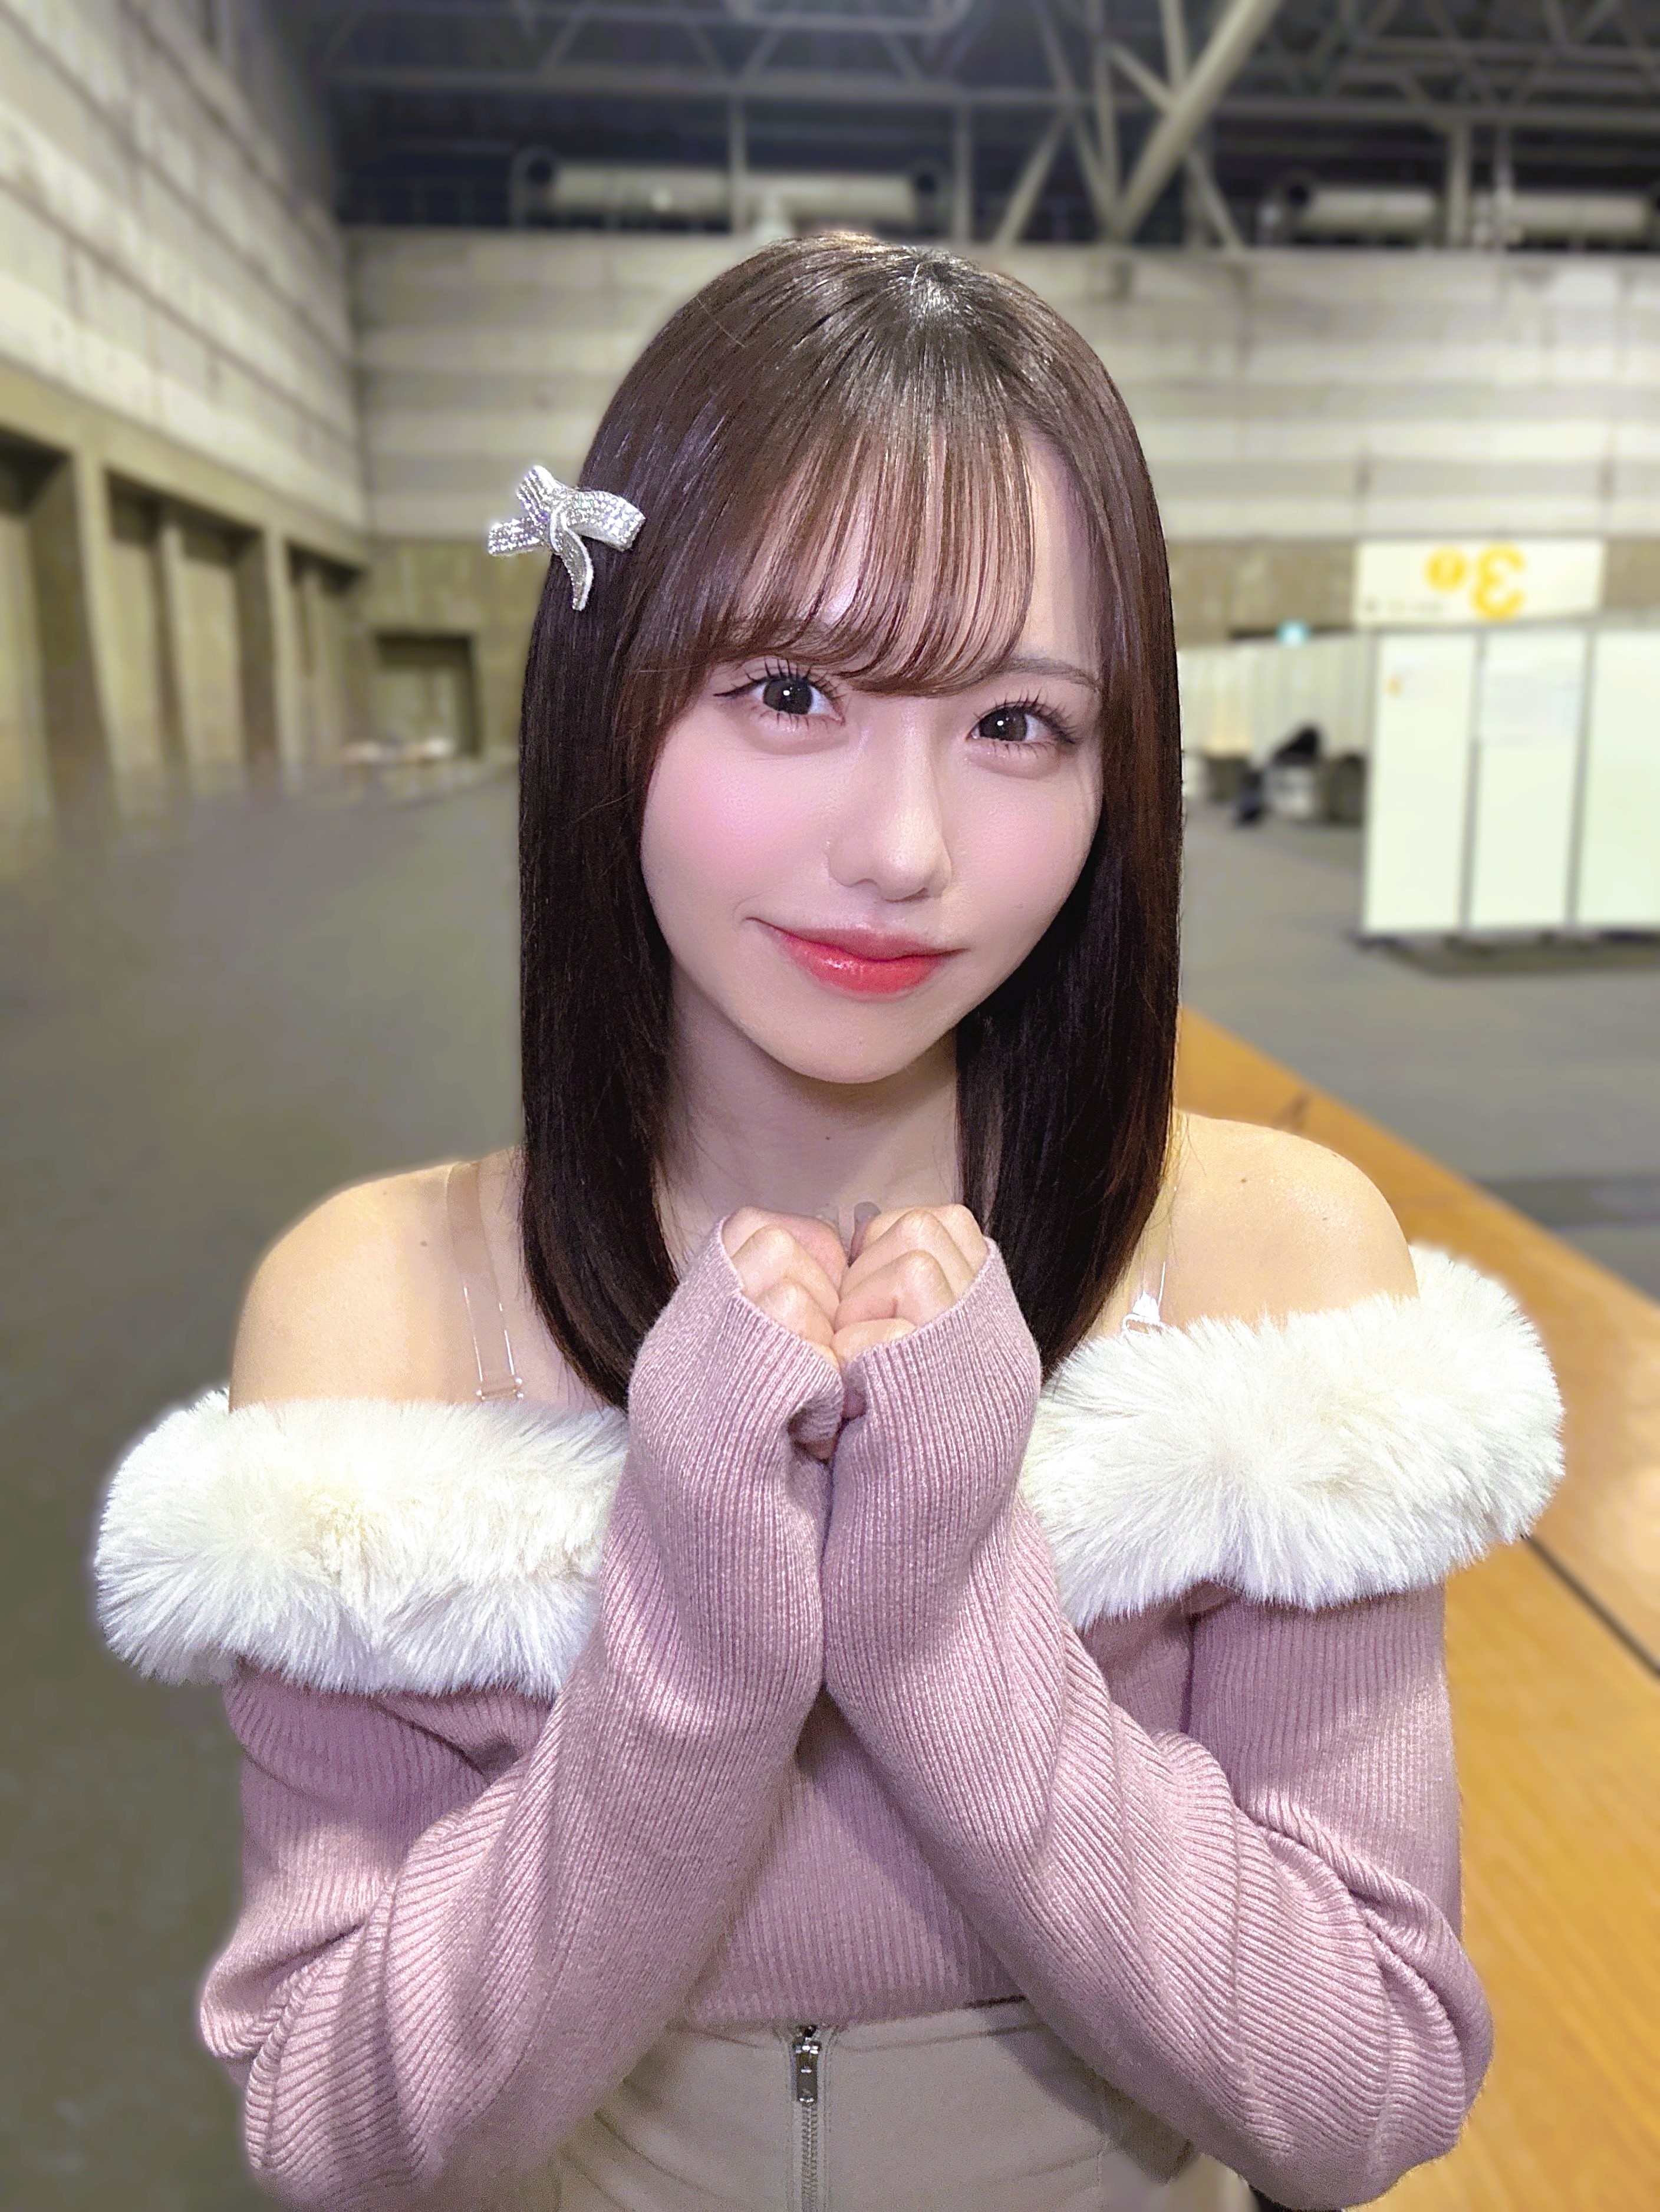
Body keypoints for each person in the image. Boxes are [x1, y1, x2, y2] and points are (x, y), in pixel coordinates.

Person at [93, 236, 1565, 2212]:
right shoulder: (379, 1303)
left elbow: (1366, 2080)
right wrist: (699, 1623)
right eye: (791, 692)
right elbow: (339, 2134)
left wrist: (943, 1614)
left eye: (1017, 725)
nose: (905, 848)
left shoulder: (1270, 1267)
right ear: (613, 701)